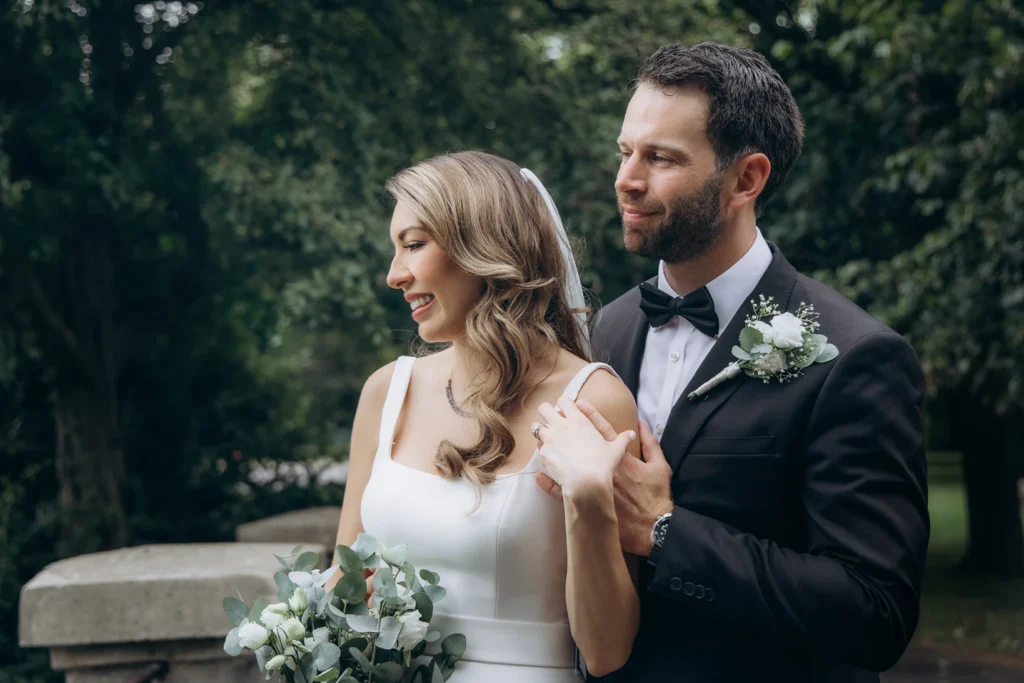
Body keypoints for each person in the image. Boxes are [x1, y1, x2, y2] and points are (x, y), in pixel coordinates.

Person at [534, 42, 930, 682]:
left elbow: (872, 612)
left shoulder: (858, 357)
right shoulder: (602, 332)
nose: (627, 179)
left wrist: (664, 531)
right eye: (625, 151)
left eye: (660, 158)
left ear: (746, 179)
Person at [331, 151, 642, 682]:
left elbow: (606, 651)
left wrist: (589, 499)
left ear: (482, 244)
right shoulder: (387, 392)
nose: (394, 274)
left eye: (413, 244)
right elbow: (345, 579)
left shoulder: (592, 399)